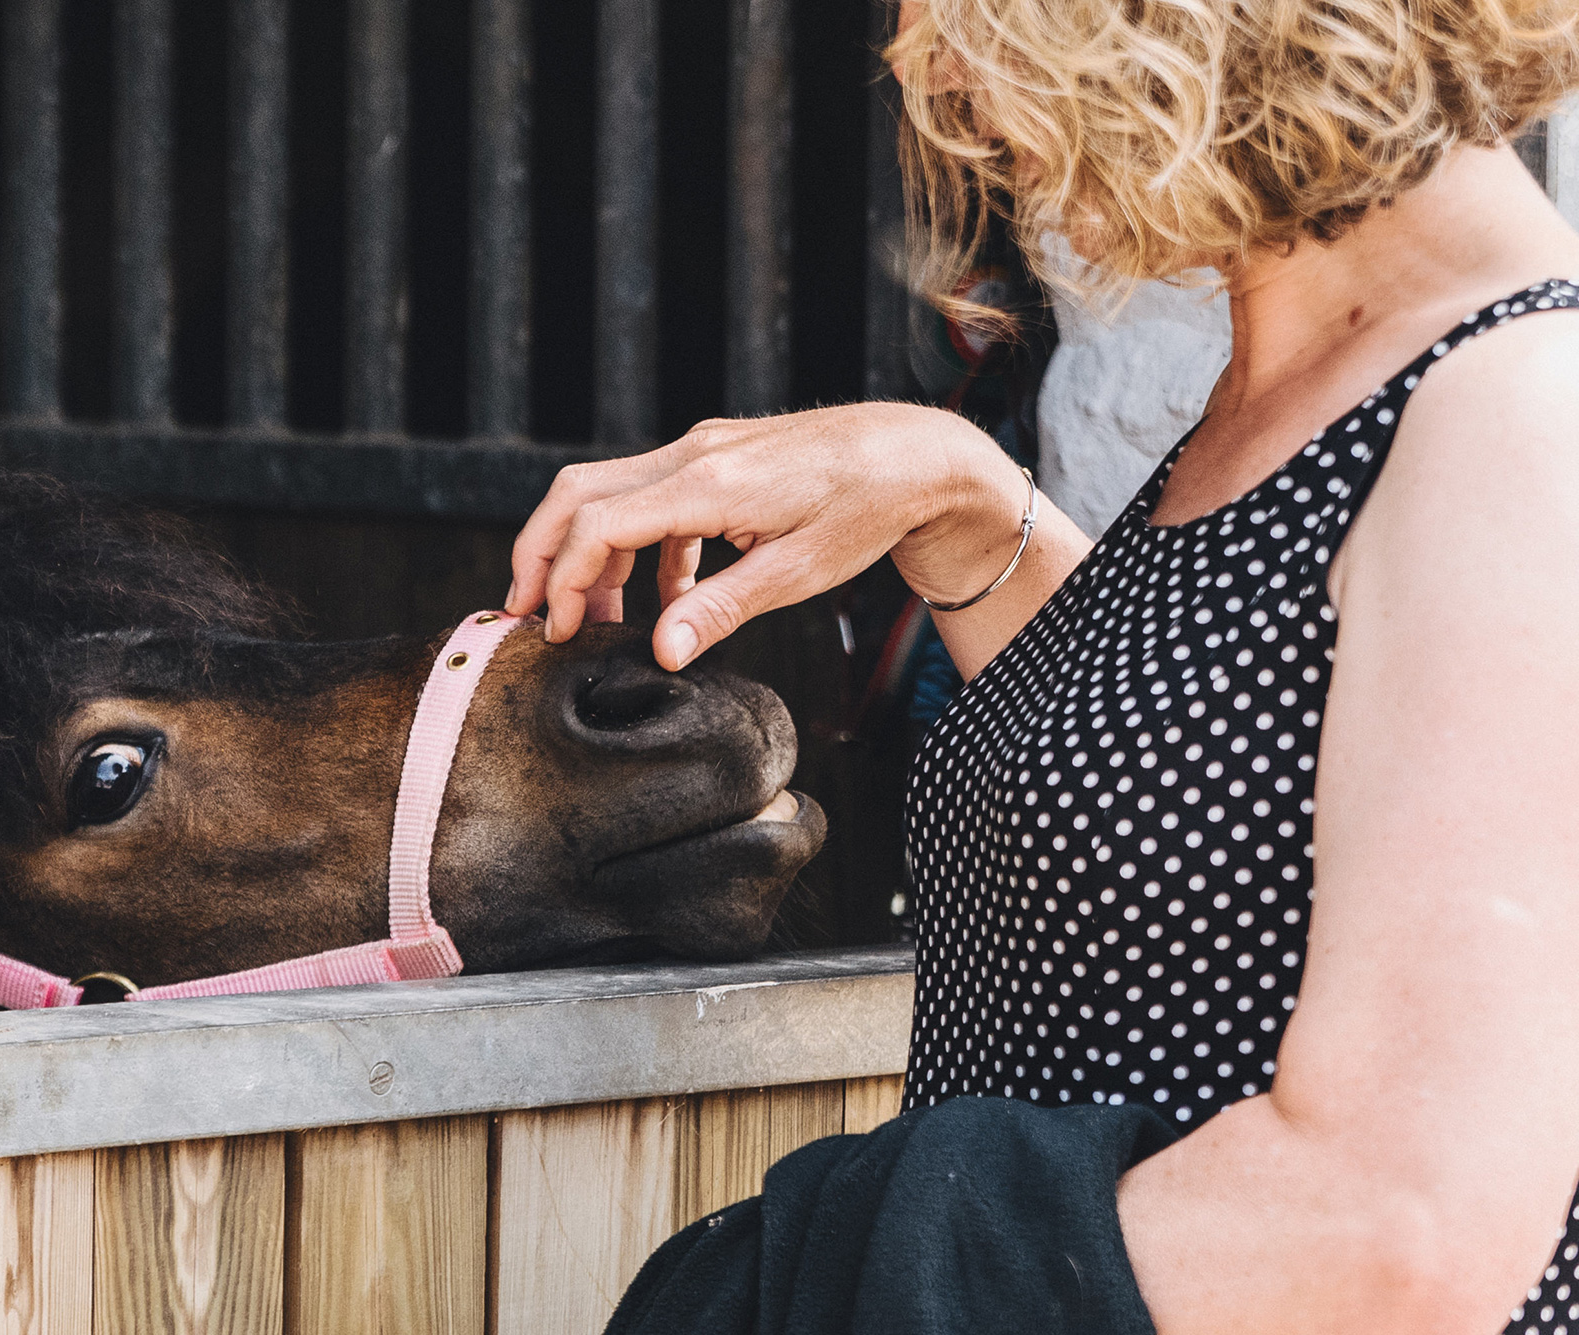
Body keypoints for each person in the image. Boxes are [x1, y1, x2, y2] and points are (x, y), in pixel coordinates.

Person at [505, 1, 1579, 1331]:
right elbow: (1189, 826)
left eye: (975, 28)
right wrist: (961, 501)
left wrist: (783, 1297)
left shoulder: (1525, 417)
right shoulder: (1301, 390)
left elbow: (1391, 1224)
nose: (949, 96)